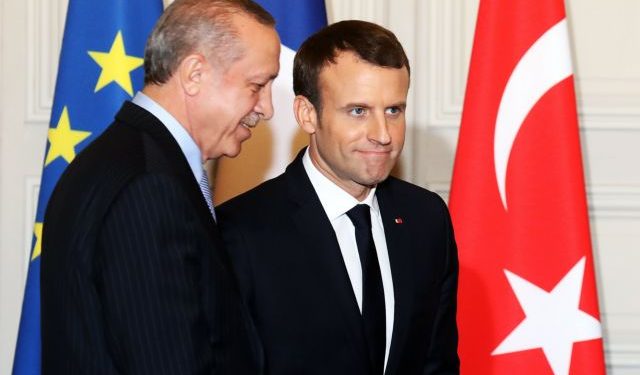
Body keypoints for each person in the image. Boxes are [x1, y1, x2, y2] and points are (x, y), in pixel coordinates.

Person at [40, 0, 280, 373]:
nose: (266, 108)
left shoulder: (120, 158)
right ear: (195, 74)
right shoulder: (149, 187)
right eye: (257, 85)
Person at [218, 20, 459, 375]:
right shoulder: (241, 233)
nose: (383, 134)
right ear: (307, 114)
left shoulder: (426, 218)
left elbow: (437, 364)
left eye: (394, 110)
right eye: (358, 111)